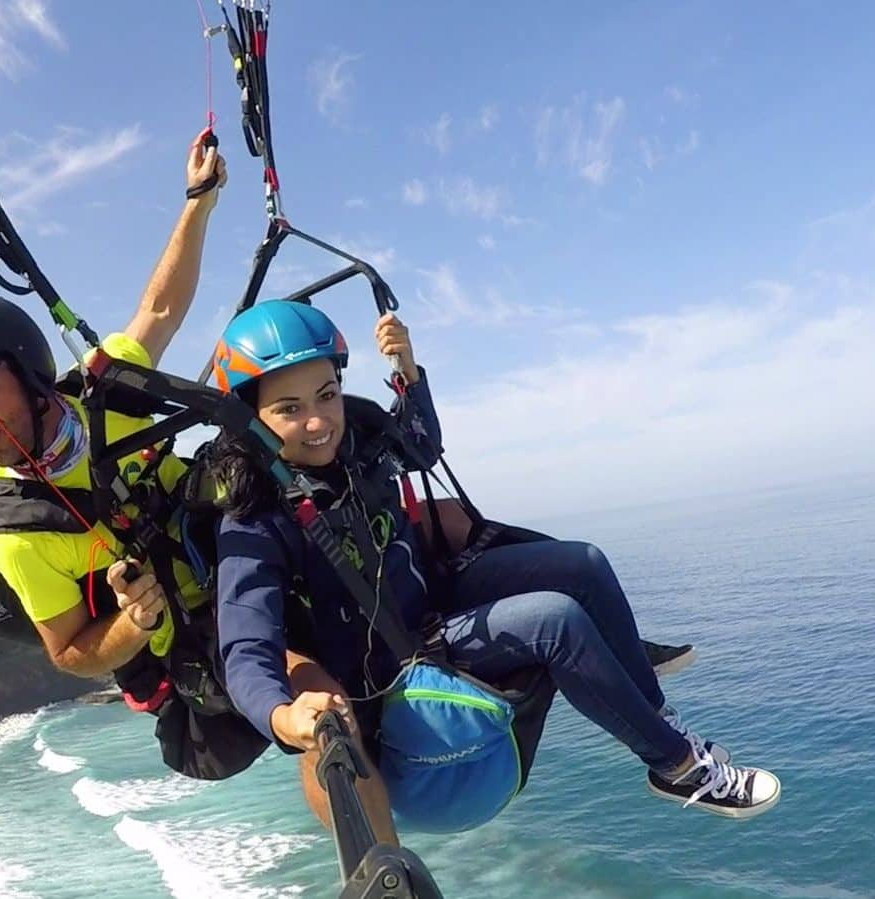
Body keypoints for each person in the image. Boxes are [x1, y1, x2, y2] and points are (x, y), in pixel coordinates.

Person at [207, 299, 781, 835]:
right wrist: (283, 716)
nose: (317, 422)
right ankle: (678, 767)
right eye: (289, 409)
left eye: (326, 395)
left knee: (582, 563)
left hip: (430, 596)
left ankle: (654, 710)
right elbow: (245, 645)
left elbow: (422, 447)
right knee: (555, 622)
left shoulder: (354, 443)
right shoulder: (254, 519)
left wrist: (408, 369)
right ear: (250, 417)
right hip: (396, 656)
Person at [0, 131, 227, 678]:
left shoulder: (99, 392)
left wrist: (198, 200)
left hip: (238, 558)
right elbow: (68, 652)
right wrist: (133, 622)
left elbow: (160, 310)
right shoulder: (17, 535)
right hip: (199, 646)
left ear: (30, 372)